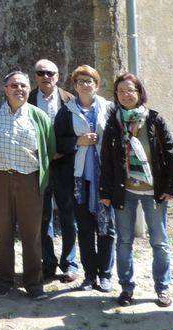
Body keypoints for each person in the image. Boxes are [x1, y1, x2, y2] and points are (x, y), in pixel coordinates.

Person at [99, 73, 173, 308]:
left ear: (139, 92)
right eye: (121, 91)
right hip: (125, 191)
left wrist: (172, 185)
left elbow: (170, 153)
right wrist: (105, 191)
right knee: (124, 241)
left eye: (130, 90)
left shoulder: (154, 120)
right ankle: (126, 288)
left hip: (154, 191)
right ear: (116, 95)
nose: (126, 95)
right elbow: (106, 159)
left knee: (159, 241)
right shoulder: (113, 122)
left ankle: (162, 289)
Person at [0, 71, 55, 300]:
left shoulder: (39, 116)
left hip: (30, 181)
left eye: (23, 85)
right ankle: (4, 280)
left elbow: (49, 149)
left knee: (31, 234)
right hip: (0, 180)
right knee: (2, 233)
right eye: (14, 85)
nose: (19, 89)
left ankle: (34, 283)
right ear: (5, 88)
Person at [54, 65, 115, 292]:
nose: (84, 84)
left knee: (107, 228)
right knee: (85, 229)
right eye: (80, 81)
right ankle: (90, 276)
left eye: (89, 80)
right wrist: (76, 142)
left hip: (104, 178)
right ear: (75, 86)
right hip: (78, 180)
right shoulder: (66, 111)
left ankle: (106, 275)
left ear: (96, 85)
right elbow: (56, 141)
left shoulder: (109, 108)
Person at [30, 59, 80, 284]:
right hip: (37, 166)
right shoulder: (27, 99)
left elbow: (77, 135)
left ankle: (69, 264)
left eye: (50, 72)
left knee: (68, 216)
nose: (45, 76)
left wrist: (59, 151)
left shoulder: (70, 100)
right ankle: (48, 264)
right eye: (41, 72)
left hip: (64, 165)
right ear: (36, 76)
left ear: (58, 76)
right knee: (43, 217)